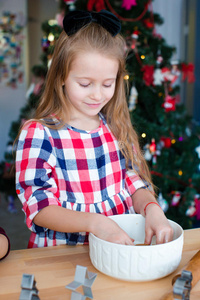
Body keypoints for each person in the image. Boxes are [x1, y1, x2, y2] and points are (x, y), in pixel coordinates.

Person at [15, 10, 173, 248]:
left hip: (116, 251)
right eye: (85, 84)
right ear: (61, 77)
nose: (98, 95)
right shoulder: (39, 134)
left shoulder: (115, 127)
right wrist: (96, 223)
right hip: (61, 257)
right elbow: (39, 206)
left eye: (107, 84)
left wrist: (152, 209)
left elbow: (133, 181)